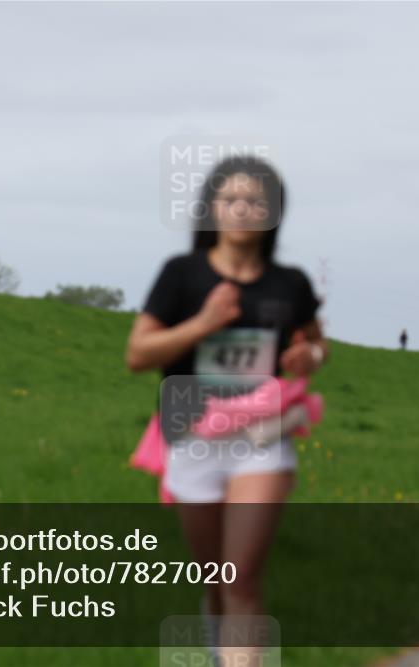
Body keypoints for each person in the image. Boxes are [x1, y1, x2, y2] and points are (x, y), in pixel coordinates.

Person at [125, 155, 326, 666]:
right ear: (211, 208)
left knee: (240, 576)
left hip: (262, 433)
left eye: (256, 201)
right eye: (231, 199)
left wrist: (311, 357)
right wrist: (203, 324)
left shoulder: (291, 285)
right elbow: (138, 355)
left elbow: (317, 345)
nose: (242, 209)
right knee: (215, 579)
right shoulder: (182, 275)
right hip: (191, 427)